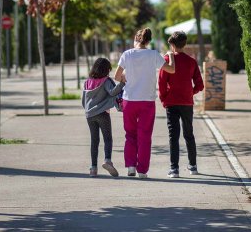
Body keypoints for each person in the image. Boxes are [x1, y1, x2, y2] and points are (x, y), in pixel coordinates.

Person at [114, 27, 175, 178]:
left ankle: (130, 167)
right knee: (145, 136)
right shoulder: (154, 54)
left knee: (130, 135)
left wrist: (125, 79)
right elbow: (171, 70)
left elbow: (116, 76)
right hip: (147, 101)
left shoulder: (127, 54)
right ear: (149, 41)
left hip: (129, 100)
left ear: (136, 39)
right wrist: (170, 55)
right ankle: (142, 171)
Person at [158, 31, 204, 178]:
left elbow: (161, 82)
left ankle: (174, 169)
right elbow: (200, 84)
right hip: (187, 102)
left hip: (171, 103)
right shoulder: (191, 62)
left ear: (171, 45)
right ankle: (193, 166)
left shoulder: (166, 60)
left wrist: (164, 99)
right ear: (185, 44)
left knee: (173, 136)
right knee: (189, 134)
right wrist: (191, 92)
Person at [81, 58, 125, 177]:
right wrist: (122, 83)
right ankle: (107, 160)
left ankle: (93, 169)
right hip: (103, 114)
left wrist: (88, 110)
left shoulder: (87, 82)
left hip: (89, 115)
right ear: (106, 69)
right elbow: (112, 92)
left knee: (94, 141)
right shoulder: (106, 81)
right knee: (107, 139)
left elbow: (83, 101)